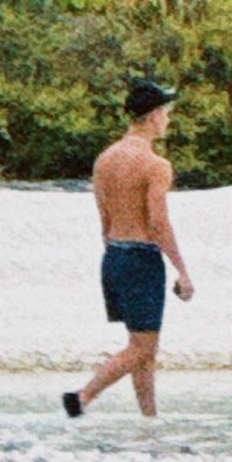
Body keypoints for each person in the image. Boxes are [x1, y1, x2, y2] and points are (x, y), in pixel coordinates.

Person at [62, 77, 193, 420]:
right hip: (141, 257)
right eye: (166, 112)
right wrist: (182, 269)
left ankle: (149, 419)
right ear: (152, 116)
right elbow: (158, 222)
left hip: (114, 256)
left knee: (142, 346)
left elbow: (103, 218)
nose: (168, 119)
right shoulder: (155, 165)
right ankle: (83, 396)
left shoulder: (105, 159)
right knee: (142, 348)